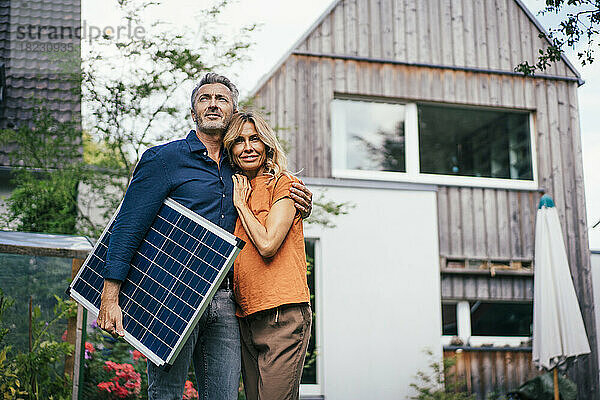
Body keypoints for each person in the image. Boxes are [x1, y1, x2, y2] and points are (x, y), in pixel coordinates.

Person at [96, 73, 313, 400]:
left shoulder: (241, 164)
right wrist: (110, 295)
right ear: (193, 110)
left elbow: (272, 201)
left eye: (221, 98)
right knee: (166, 392)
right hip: (172, 296)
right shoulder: (164, 160)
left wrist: (301, 205)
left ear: (233, 110)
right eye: (205, 98)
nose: (213, 103)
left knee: (223, 395)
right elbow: (128, 226)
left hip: (228, 302)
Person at [224, 112, 312, 400]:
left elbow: (268, 244)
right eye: (239, 141)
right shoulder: (233, 189)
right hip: (246, 317)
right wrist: (238, 199)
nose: (247, 147)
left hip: (282, 316)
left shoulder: (284, 184)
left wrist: (242, 205)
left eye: (254, 139)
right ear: (231, 151)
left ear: (267, 144)